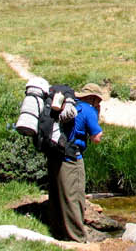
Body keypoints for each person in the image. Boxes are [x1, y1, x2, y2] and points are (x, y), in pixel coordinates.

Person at [48, 93, 104, 243]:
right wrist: (96, 114)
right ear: (93, 99)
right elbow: (96, 138)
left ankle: (57, 231)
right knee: (75, 196)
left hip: (54, 154)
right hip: (72, 158)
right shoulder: (88, 110)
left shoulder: (67, 105)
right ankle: (77, 238)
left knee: (57, 194)